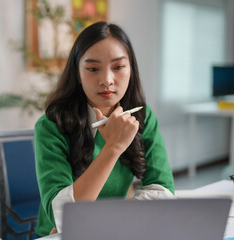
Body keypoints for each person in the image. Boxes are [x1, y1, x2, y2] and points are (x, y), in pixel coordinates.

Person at [34, 21, 175, 237]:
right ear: (78, 74)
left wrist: (114, 219)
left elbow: (163, 191)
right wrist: (114, 147)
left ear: (131, 70)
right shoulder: (52, 126)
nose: (107, 80)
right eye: (92, 69)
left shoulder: (142, 118)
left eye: (118, 67)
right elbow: (64, 217)